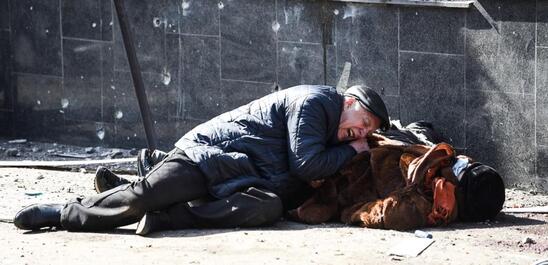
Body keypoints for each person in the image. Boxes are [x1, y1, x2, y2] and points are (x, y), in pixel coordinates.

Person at [13, 84, 390, 235]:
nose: (360, 134)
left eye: (365, 133)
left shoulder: (333, 129)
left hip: (244, 179)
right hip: (211, 156)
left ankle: (166, 216)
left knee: (267, 208)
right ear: (350, 102)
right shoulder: (316, 102)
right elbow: (305, 165)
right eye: (362, 124)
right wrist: (352, 151)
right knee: (143, 196)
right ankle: (64, 213)